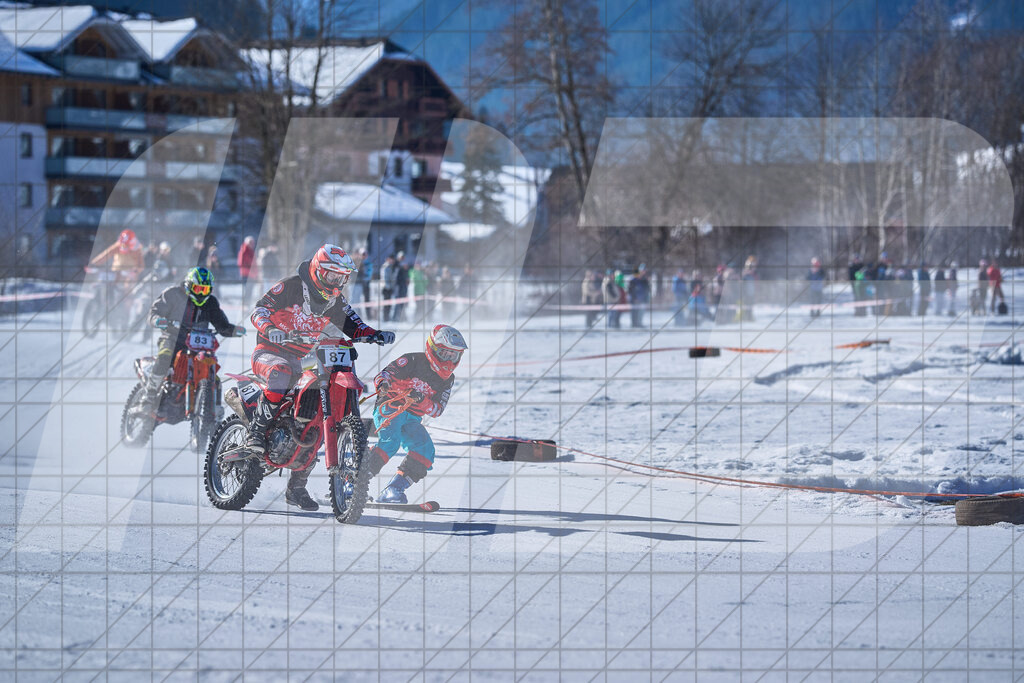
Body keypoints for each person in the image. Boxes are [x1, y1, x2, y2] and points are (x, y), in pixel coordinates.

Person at [244, 244, 395, 510]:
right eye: (333, 276)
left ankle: (296, 488)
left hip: (306, 358)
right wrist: (270, 329)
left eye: (342, 277)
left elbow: (354, 325)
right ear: (317, 271)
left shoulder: (334, 300)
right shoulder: (291, 286)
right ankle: (256, 433)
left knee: (316, 419)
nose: (337, 282)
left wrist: (374, 334)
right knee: (281, 373)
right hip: (270, 351)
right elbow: (260, 310)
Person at [365, 325, 467, 504]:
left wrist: (421, 400)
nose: (449, 360)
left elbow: (437, 410)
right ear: (433, 349)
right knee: (390, 442)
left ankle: (394, 489)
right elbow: (384, 375)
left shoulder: (447, 379)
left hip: (412, 418)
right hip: (390, 407)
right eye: (445, 354)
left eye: (454, 355)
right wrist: (385, 384)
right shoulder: (412, 360)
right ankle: (355, 482)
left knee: (425, 450)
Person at [141, 267, 245, 418]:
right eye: (198, 289)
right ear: (189, 285)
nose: (202, 294)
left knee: (212, 372)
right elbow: (154, 311)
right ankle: (149, 397)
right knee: (165, 357)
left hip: (198, 344)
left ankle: (214, 408)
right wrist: (157, 320)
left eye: (205, 290)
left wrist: (233, 330)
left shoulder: (211, 302)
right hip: (172, 337)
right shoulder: (173, 294)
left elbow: (221, 324)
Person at [380, 254, 398, 322]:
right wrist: (388, 286)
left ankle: (387, 318)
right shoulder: (386, 266)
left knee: (389, 304)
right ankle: (385, 318)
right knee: (386, 305)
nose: (393, 261)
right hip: (386, 288)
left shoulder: (391, 267)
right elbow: (385, 277)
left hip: (390, 288)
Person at [393, 251, 410, 322]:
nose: (402, 259)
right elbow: (396, 277)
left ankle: (403, 318)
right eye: (401, 257)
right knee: (398, 303)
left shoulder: (405, 267)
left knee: (403, 304)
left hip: (404, 288)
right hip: (398, 288)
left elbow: (407, 277)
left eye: (403, 257)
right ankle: (395, 318)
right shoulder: (396, 266)